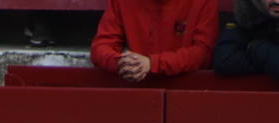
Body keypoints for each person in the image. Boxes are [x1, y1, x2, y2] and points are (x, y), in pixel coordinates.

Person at [89, 0, 219, 83]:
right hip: (136, 90)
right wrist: (122, 64)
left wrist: (153, 64)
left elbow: (203, 53)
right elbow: (100, 47)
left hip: (187, 90)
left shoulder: (203, 2)